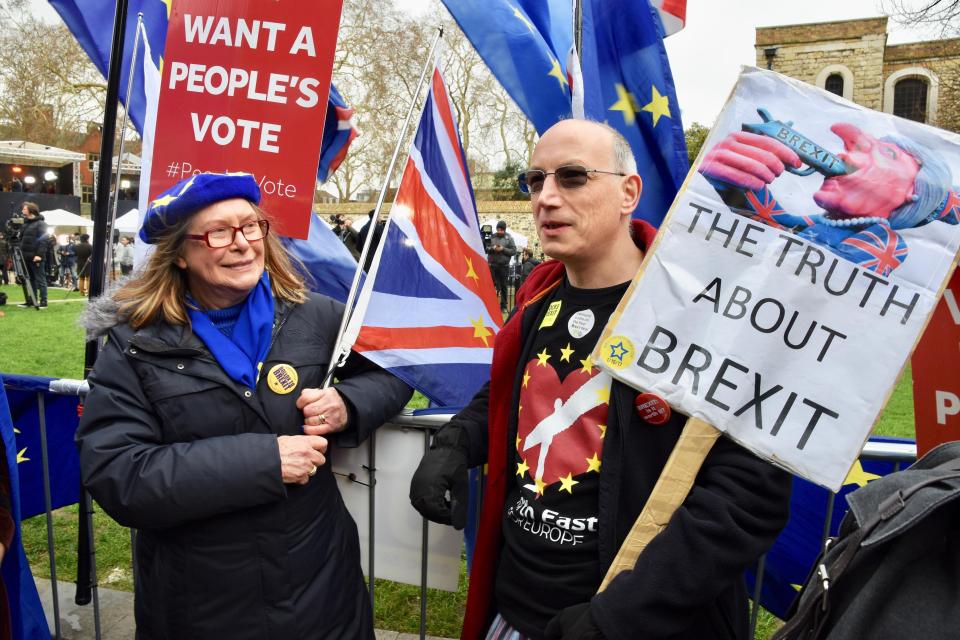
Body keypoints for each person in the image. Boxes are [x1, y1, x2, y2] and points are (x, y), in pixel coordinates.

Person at [409, 120, 792, 640]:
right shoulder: (537, 302)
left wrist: (620, 618)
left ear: (628, 192)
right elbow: (511, 395)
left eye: (571, 177)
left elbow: (746, 497)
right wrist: (454, 444)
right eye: (534, 180)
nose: (545, 198)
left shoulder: (703, 315)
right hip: (513, 613)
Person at [76, 173, 413, 639]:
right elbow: (119, 472)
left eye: (251, 226)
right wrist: (265, 460)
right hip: (201, 600)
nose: (241, 244)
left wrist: (348, 403)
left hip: (321, 584)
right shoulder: (134, 341)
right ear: (178, 253)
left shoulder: (315, 314)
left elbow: (393, 371)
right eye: (219, 232)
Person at [699, 123, 959, 276]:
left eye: (886, 154)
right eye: (851, 150)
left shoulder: (884, 245)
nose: (842, 156)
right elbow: (774, 223)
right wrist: (728, 178)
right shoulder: (820, 224)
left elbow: (810, 280)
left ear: (913, 193)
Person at [16, 203, 47, 308]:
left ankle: (44, 301)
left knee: (40, 280)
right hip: (25, 257)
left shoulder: (40, 223)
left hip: (36, 257)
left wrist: (39, 255)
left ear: (31, 210)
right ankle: (32, 300)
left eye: (25, 209)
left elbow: (44, 241)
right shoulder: (25, 223)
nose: (23, 210)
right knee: (30, 280)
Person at [487, 220, 516, 312]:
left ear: (504, 230)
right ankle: (490, 304)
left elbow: (513, 251)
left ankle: (503, 306)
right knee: (491, 286)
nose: (499, 231)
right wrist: (493, 248)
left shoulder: (509, 238)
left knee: (503, 286)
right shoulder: (492, 237)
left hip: (504, 266)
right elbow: (486, 248)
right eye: (498, 229)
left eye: (501, 230)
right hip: (493, 266)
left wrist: (503, 249)